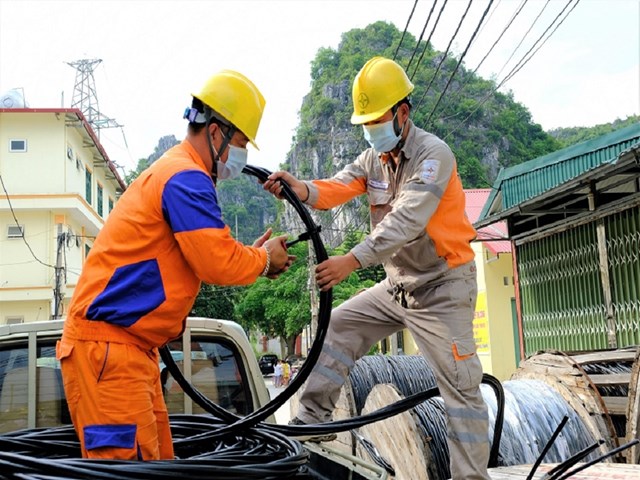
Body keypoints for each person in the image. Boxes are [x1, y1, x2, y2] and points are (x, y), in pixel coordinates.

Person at [264, 56, 489, 479]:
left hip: (443, 288)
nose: (371, 130)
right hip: (398, 286)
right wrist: (302, 187)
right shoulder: (373, 161)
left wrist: (351, 261)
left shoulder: (432, 155)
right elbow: (337, 186)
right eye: (365, 123)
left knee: (460, 388)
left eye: (377, 120)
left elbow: (406, 220)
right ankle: (311, 423)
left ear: (403, 112)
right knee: (340, 325)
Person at [57, 69, 292, 461]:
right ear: (215, 133)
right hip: (110, 352)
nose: (241, 155)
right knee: (130, 470)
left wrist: (251, 256)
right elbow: (216, 261)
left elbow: (210, 251)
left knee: (160, 464)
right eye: (238, 142)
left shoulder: (178, 172)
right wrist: (265, 259)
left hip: (128, 350)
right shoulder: (185, 177)